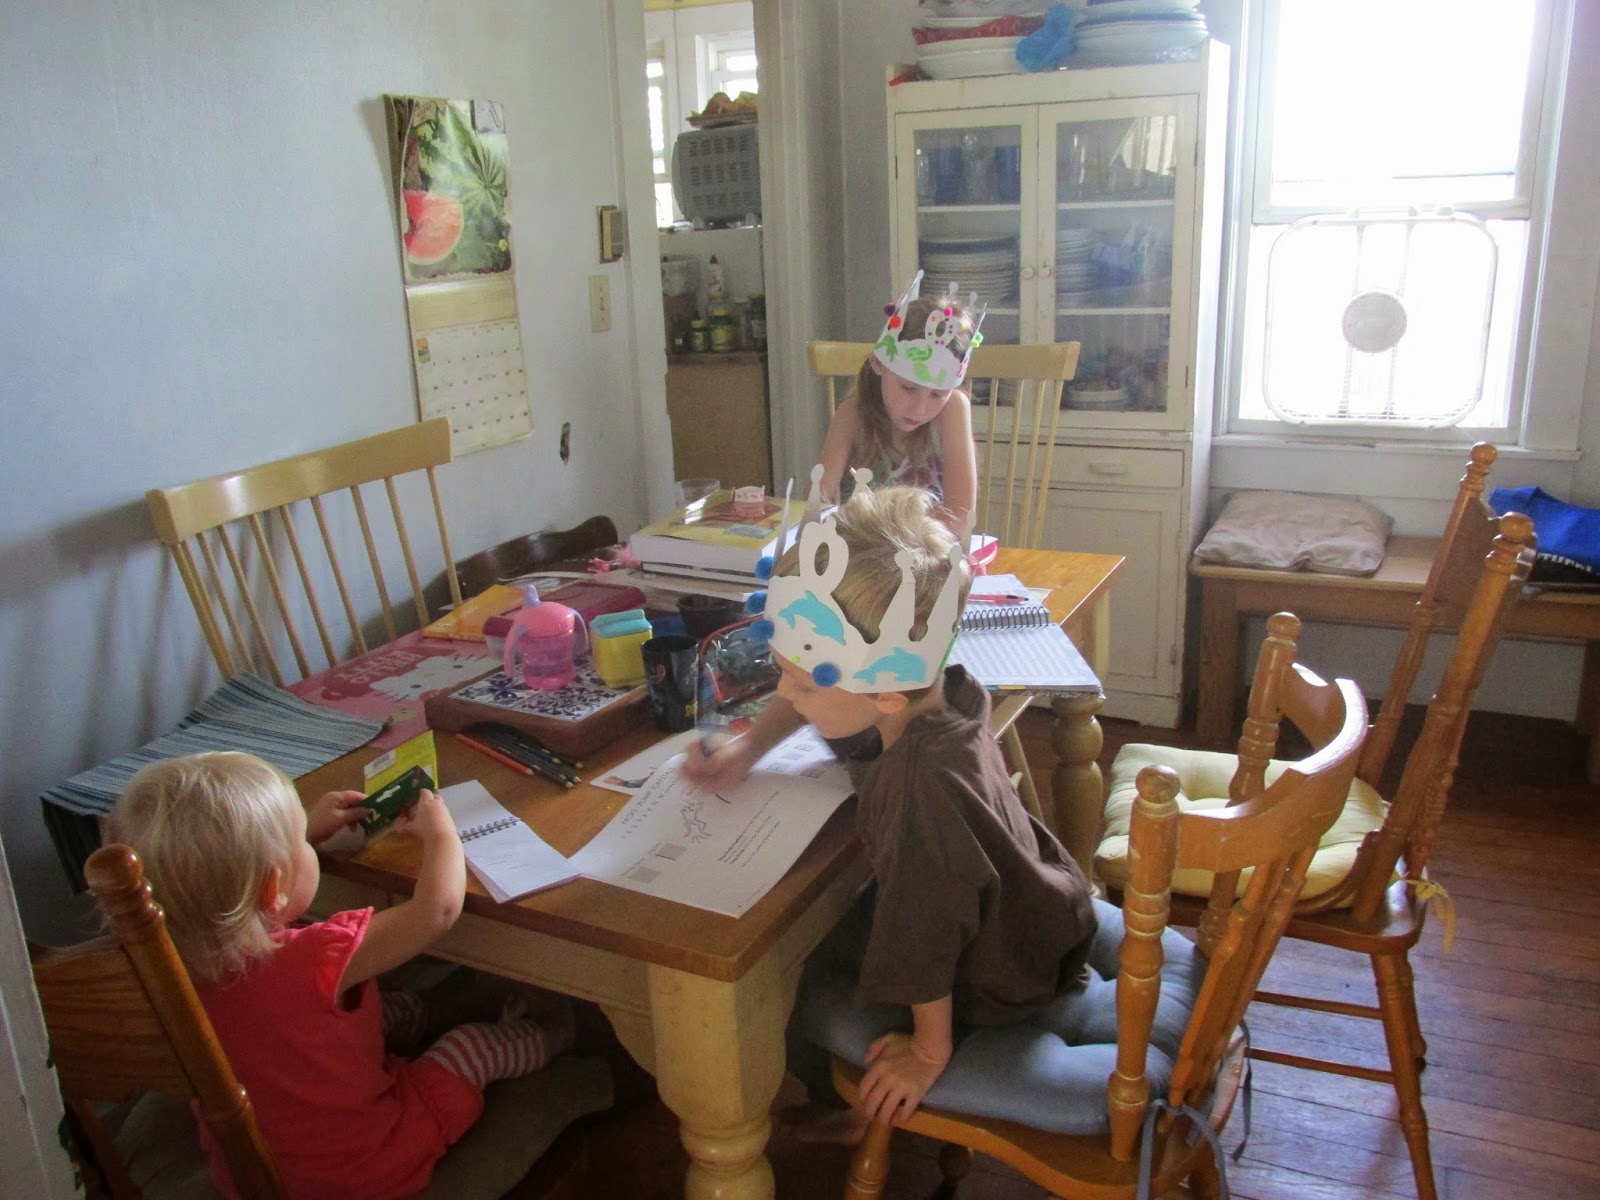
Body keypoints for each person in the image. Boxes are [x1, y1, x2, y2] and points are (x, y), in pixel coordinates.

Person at [683, 480, 1097, 1138]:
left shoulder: (919, 790)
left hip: (1001, 969)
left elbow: (926, 929)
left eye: (802, 681)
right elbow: (813, 673)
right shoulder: (940, 690)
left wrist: (928, 1052)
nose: (785, 689)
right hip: (1039, 909)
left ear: (883, 694)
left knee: (800, 965)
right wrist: (748, 749)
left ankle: (841, 1107)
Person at [108, 751, 576, 1200]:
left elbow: (231, 891)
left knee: (383, 1010)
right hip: (364, 1167)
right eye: (298, 844)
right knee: (471, 1048)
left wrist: (300, 836)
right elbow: (437, 911)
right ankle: (558, 1031)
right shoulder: (318, 958)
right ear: (273, 889)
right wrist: (441, 834)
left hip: (252, 1173)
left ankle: (453, 1004)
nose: (305, 845)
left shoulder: (165, 972)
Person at [817, 272, 983, 538]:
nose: (919, 409)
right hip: (868, 551)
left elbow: (960, 517)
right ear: (877, 364)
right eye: (908, 388)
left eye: (937, 394)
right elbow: (816, 499)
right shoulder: (853, 413)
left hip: (929, 551)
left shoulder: (954, 409)